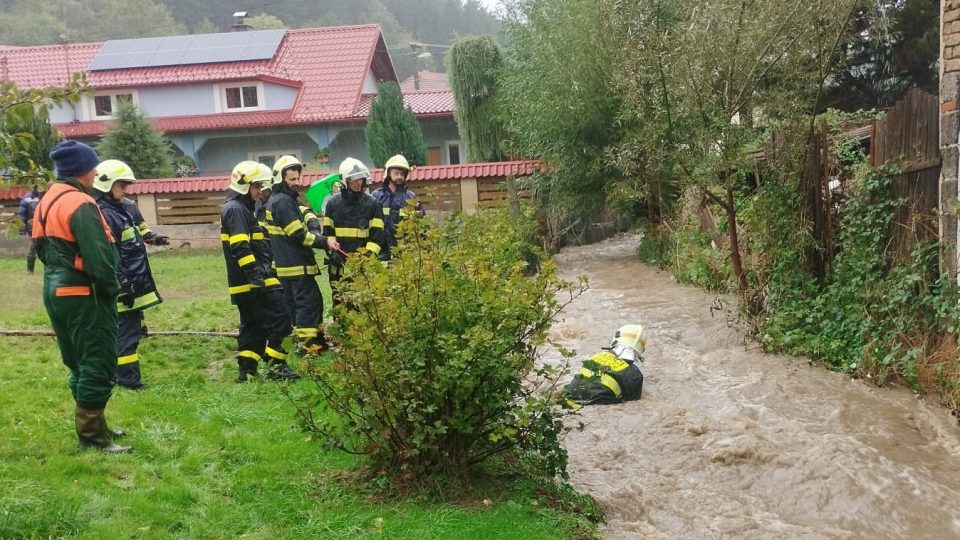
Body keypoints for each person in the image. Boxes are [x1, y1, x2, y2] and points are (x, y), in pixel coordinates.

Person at [32, 140, 131, 453]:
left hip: (55, 289)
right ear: (86, 170)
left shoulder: (48, 199)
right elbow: (99, 260)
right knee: (97, 361)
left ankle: (96, 424)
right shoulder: (80, 203)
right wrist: (110, 290)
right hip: (83, 292)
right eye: (94, 167)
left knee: (78, 362)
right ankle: (92, 437)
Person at [221, 161, 299, 382]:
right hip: (255, 281)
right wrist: (256, 276)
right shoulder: (236, 210)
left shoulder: (238, 209)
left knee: (252, 326)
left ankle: (247, 371)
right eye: (256, 187)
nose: (259, 192)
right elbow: (241, 246)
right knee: (282, 319)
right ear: (245, 185)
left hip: (244, 282)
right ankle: (277, 366)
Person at [93, 160, 163, 390]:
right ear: (106, 185)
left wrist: (154, 238)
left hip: (131, 281)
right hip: (124, 286)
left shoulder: (122, 208)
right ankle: (128, 381)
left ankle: (116, 376)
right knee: (127, 335)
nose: (125, 190)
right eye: (121, 186)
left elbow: (139, 231)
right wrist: (121, 282)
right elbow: (109, 254)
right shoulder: (105, 214)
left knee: (126, 331)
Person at [266, 155, 341, 355]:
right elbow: (298, 234)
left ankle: (314, 342)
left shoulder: (282, 199)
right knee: (308, 304)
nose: (296, 183)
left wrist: (314, 225)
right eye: (292, 180)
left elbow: (304, 211)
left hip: (286, 267)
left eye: (298, 179)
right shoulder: (282, 202)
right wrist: (325, 241)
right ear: (280, 179)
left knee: (299, 304)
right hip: (296, 266)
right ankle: (309, 348)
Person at [322, 157, 385, 303]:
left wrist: (365, 259)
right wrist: (332, 253)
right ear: (344, 181)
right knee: (340, 309)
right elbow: (328, 235)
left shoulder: (373, 205)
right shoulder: (332, 204)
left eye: (361, 178)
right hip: (338, 272)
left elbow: (377, 239)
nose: (359, 182)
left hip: (363, 272)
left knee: (363, 312)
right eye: (354, 179)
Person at [565, 324, 647, 405]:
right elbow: (633, 404)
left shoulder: (597, 355)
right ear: (641, 349)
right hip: (596, 405)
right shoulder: (635, 374)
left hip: (569, 397)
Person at [371, 154, 424, 260]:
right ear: (388, 174)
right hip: (381, 253)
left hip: (405, 254)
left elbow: (421, 226)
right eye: (396, 173)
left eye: (402, 174)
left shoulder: (411, 198)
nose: (400, 177)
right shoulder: (376, 197)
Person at [18, 184, 43, 274]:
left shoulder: (44, 196)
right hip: (33, 225)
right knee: (34, 247)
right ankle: (30, 270)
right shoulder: (27, 198)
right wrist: (22, 229)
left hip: (44, 224)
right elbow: (22, 214)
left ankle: (31, 270)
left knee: (43, 248)